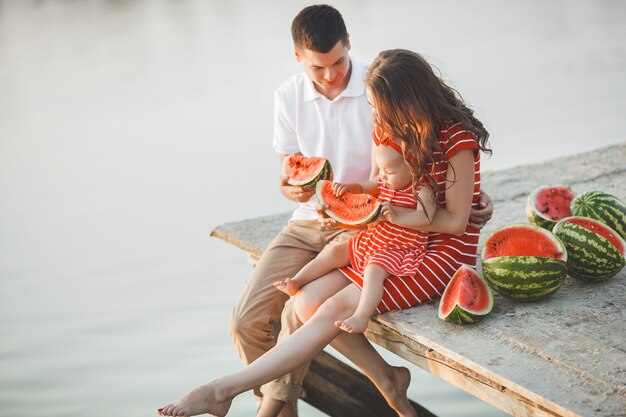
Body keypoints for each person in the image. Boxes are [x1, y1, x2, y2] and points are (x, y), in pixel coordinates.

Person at [157, 47, 492, 417]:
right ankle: (387, 378)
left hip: (439, 252)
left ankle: (222, 389)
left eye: (382, 108)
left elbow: (455, 222)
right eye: (373, 108)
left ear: (408, 100)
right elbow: (384, 185)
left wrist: (388, 216)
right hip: (393, 238)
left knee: (333, 306)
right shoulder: (393, 128)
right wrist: (358, 197)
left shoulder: (456, 139)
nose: (377, 117)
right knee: (303, 303)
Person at [274, 138, 437, 334]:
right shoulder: (386, 179)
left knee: (374, 270)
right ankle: (297, 281)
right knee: (335, 251)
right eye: (381, 170)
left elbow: (426, 217)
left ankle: (361, 316)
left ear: (413, 167)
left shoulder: (423, 187)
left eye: (389, 172)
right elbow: (364, 187)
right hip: (377, 237)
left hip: (401, 245)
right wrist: (348, 188)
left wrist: (397, 216)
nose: (382, 176)